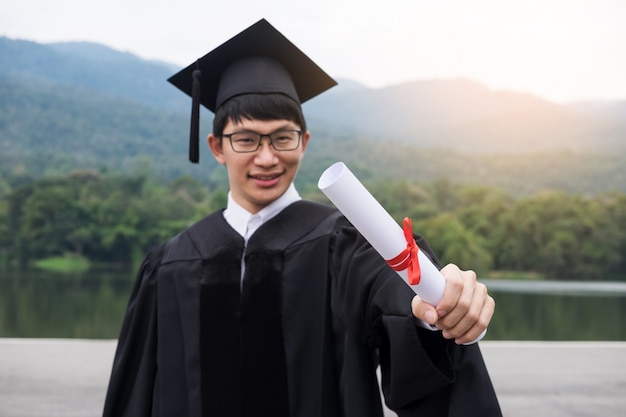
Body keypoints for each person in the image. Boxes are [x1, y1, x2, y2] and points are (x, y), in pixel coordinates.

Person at [103, 19, 501, 417]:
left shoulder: (345, 246)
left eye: (282, 137)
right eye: (246, 139)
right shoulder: (170, 264)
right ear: (217, 147)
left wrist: (440, 307)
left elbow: (400, 296)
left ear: (304, 142)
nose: (266, 157)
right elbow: (135, 395)